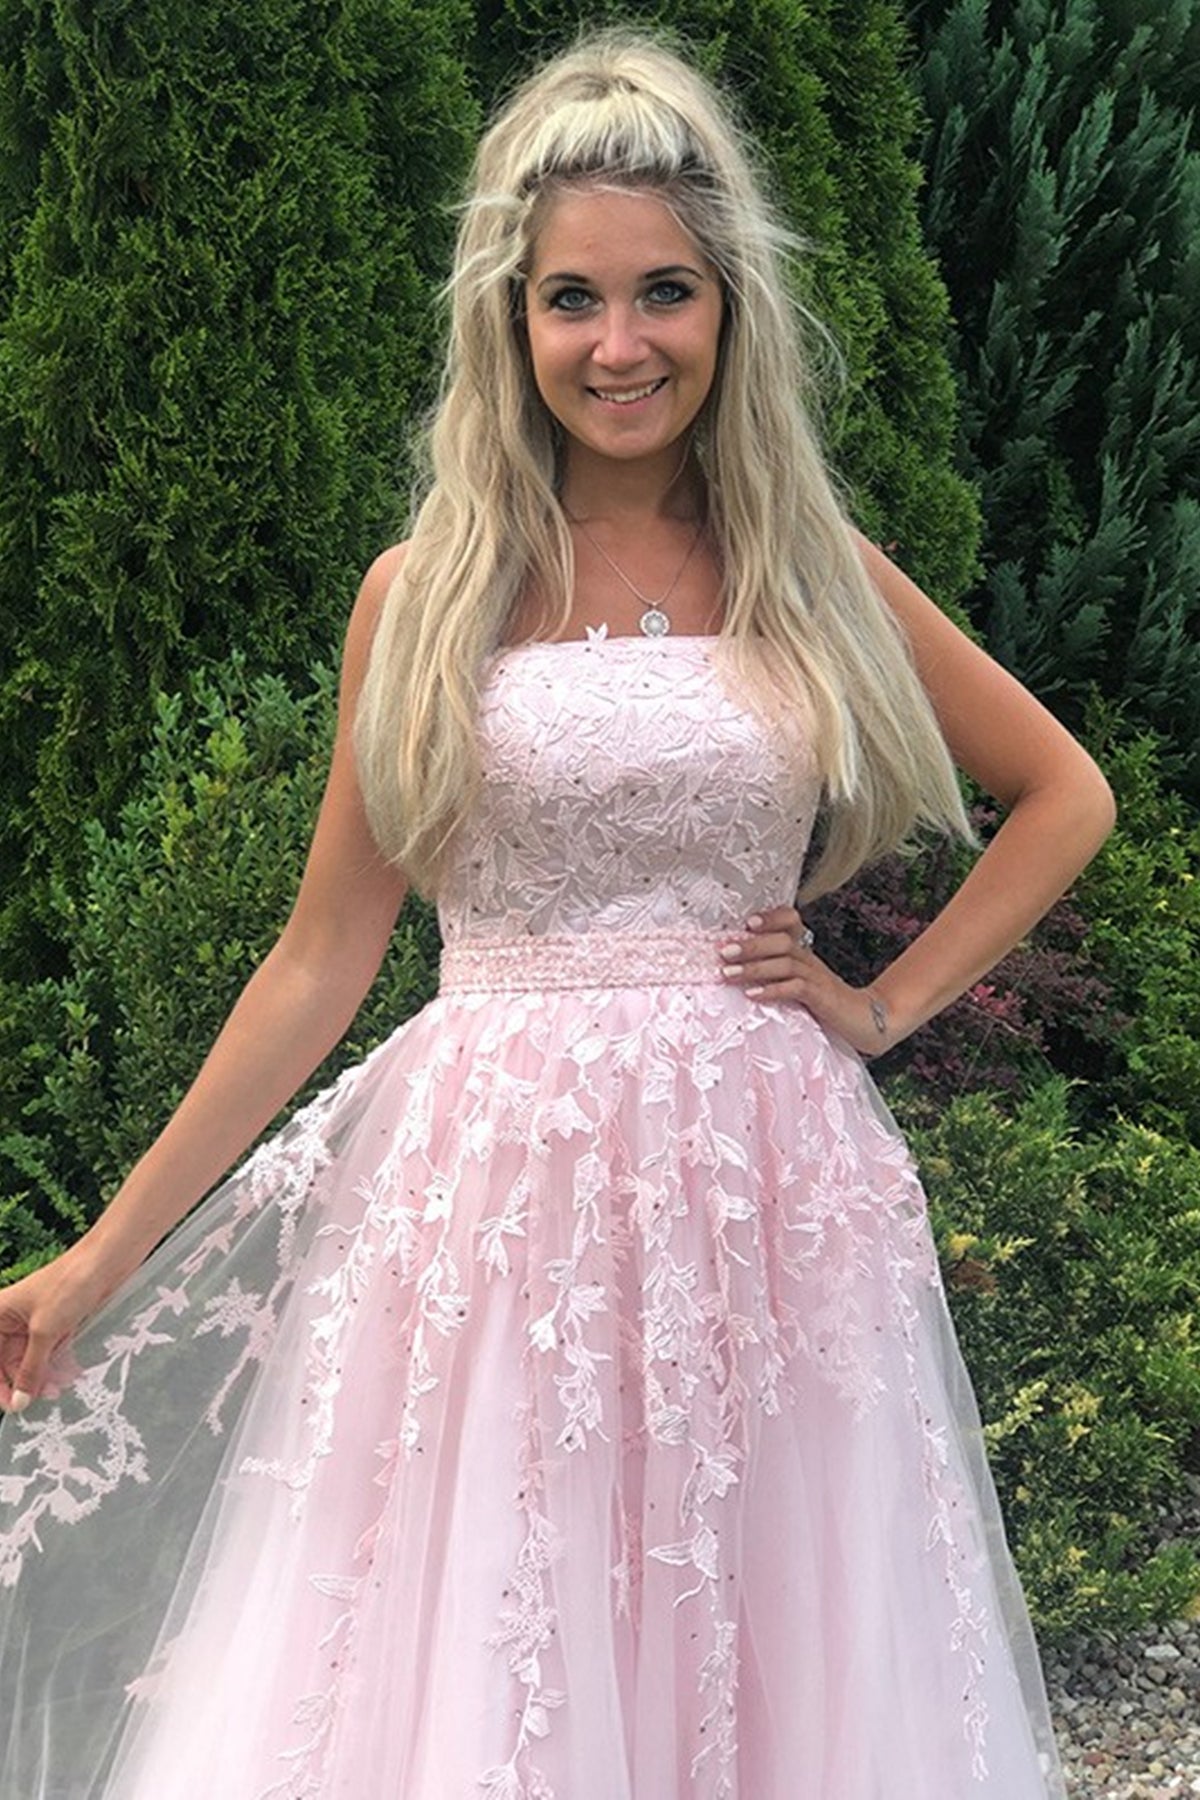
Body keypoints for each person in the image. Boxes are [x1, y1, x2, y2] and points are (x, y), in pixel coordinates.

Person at [0, 28, 1113, 1800]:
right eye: (571, 300)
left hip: (764, 1199)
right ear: (508, 324)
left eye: (665, 292)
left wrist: (880, 1005)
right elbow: (322, 958)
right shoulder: (427, 595)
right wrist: (99, 1258)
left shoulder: (810, 570)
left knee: (768, 1635)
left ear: (729, 307)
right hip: (493, 1210)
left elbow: (1066, 795)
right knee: (496, 1639)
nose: (620, 345)